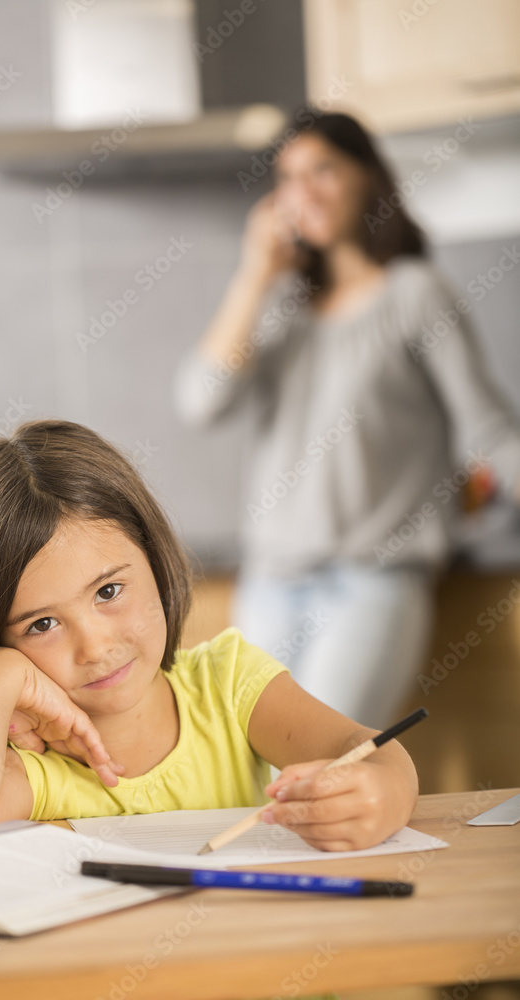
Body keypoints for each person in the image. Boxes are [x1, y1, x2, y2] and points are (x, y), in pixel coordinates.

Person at [0, 419, 419, 854]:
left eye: (109, 591)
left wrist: (385, 792)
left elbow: (368, 750)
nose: (95, 647)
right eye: (41, 625)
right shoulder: (27, 763)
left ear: (153, 557)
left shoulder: (226, 685)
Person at [174, 107, 520, 729]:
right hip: (271, 582)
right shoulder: (283, 310)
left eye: (324, 170)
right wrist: (255, 274)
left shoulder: (415, 293)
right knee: (249, 782)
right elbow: (203, 400)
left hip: (372, 582)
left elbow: (489, 429)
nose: (303, 192)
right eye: (288, 177)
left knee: (320, 774)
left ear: (368, 178)